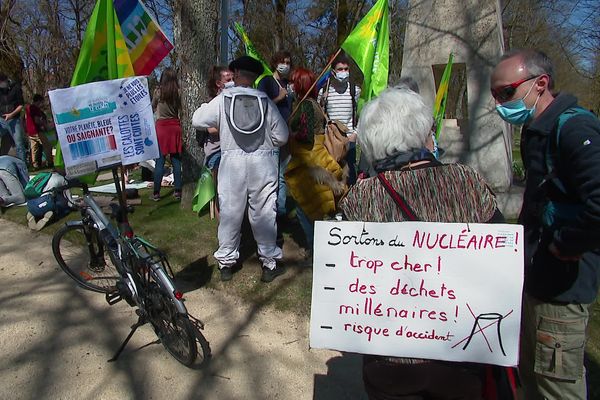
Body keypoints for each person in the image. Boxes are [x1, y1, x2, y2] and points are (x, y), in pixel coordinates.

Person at [339, 87, 504, 400]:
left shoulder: (360, 197)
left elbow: (344, 275)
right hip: (461, 350)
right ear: (421, 134)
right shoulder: (467, 181)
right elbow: (501, 252)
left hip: (389, 356)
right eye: (431, 129)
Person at [491, 49, 600, 400]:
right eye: (495, 95)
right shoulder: (535, 130)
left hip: (562, 291)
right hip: (535, 283)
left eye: (505, 93)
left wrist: (565, 244)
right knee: (531, 381)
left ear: (540, 84)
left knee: (557, 389)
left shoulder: (575, 128)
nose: (499, 103)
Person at [192, 55, 289, 283]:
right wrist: (268, 143)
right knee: (265, 213)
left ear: (235, 74)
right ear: (255, 77)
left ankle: (226, 263)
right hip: (262, 162)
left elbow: (197, 120)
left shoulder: (223, 99)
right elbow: (282, 136)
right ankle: (269, 263)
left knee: (230, 213)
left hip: (231, 163)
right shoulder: (265, 101)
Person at [285, 68, 347, 256]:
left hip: (309, 160)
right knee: (318, 205)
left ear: (299, 84)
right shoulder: (315, 104)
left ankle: (316, 251)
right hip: (316, 157)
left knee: (306, 207)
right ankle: (322, 249)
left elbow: (306, 135)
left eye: (293, 82)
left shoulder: (306, 106)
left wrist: (290, 134)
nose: (291, 86)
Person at [257, 50, 294, 236]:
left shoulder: (288, 84)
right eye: (282, 62)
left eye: (288, 62)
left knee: (284, 174)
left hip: (288, 135)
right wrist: (278, 98)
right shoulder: (266, 82)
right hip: (271, 136)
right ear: (275, 63)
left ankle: (280, 210)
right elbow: (260, 106)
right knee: (273, 175)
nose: (285, 65)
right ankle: (275, 212)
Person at [318, 52, 361, 185]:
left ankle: (351, 203)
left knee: (350, 176)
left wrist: (355, 134)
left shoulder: (355, 90)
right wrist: (322, 101)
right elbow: (319, 114)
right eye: (340, 69)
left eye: (346, 69)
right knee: (332, 174)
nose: (343, 72)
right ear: (333, 71)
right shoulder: (324, 91)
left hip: (349, 140)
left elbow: (362, 114)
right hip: (331, 140)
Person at [151, 68, 183, 201]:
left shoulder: (158, 92)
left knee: (160, 161)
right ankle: (178, 190)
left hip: (161, 128)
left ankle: (156, 193)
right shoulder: (178, 92)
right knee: (176, 161)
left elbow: (152, 106)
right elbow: (181, 109)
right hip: (175, 126)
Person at [0, 73, 26, 162]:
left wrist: (11, 114)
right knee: (4, 144)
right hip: (1, 120)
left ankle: (22, 165)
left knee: (19, 144)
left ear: (5, 81)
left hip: (14, 119)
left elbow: (21, 105)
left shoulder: (16, 88)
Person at [24, 94, 54, 169]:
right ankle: (49, 162)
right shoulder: (35, 109)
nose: (42, 104)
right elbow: (37, 120)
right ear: (38, 101)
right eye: (41, 102)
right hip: (37, 130)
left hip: (30, 131)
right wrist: (45, 125)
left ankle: (35, 165)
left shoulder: (28, 108)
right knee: (47, 146)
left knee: (34, 149)